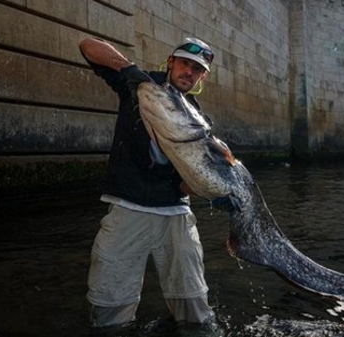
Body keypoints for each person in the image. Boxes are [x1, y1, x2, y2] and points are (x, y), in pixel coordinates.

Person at [78, 36, 222, 335]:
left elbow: (188, 185)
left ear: (202, 77)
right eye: (185, 63)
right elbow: (87, 46)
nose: (189, 73)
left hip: (176, 214)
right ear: (171, 62)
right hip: (128, 206)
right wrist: (129, 70)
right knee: (109, 309)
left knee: (194, 308)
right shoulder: (141, 86)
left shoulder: (198, 120)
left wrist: (202, 185)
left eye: (197, 70)